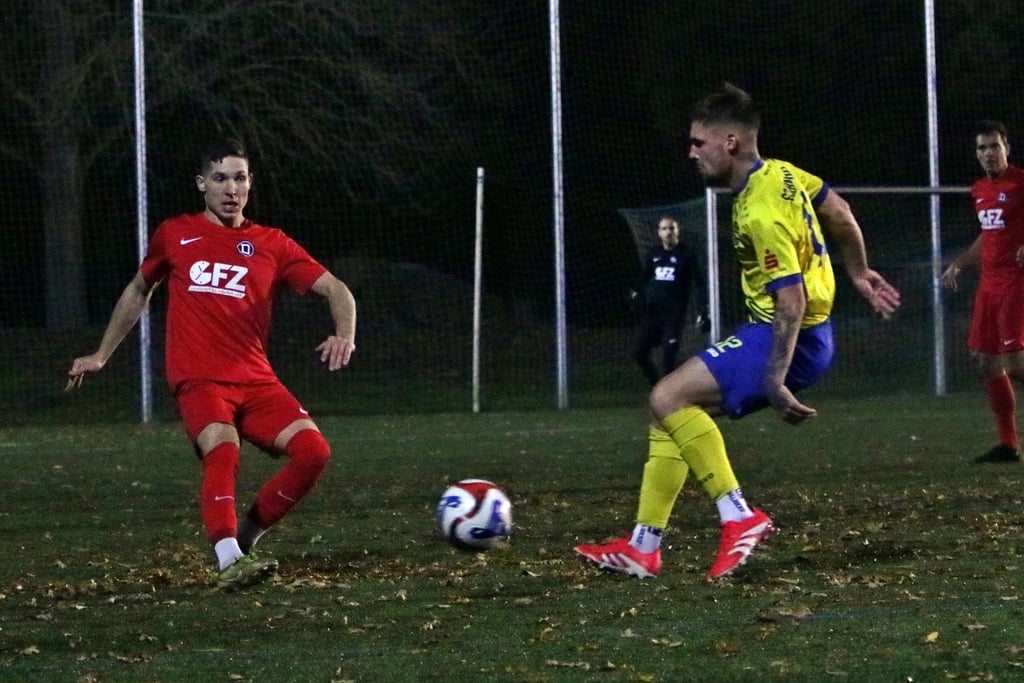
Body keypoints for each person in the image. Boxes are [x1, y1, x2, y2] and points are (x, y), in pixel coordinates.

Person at [575, 83, 901, 579]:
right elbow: (840, 212)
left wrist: (775, 379)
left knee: (667, 397)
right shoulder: (784, 174)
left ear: (729, 142)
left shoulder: (760, 209)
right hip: (790, 332)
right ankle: (642, 547)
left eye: (698, 142)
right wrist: (857, 271)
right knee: (669, 413)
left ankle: (740, 517)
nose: (691, 152)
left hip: (788, 336)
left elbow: (790, 300)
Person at [66, 138, 357, 591]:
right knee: (223, 448)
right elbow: (138, 290)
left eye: (240, 178)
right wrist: (102, 354)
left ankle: (245, 538)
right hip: (198, 378)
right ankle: (227, 560)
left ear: (250, 184)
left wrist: (345, 334)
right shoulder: (176, 234)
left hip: (257, 380)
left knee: (314, 453)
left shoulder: (271, 243)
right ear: (202, 184)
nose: (231, 188)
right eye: (220, 178)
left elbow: (336, 289)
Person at [941, 120, 1024, 464]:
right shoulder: (979, 190)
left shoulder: (1020, 183)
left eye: (995, 146)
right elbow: (987, 234)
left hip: (1015, 281)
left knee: (1016, 365)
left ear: (1007, 148)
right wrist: (960, 263)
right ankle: (1008, 445)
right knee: (986, 363)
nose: (989, 153)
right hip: (988, 285)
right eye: (982, 148)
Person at [631, 217, 710, 387]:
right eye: (665, 229)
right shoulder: (654, 254)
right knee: (639, 353)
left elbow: (699, 283)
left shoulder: (686, 254)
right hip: (653, 313)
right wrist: (636, 295)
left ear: (677, 231)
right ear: (659, 232)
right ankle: (655, 384)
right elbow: (643, 278)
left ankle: (668, 391)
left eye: (672, 228)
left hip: (674, 313)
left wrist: (703, 310)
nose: (668, 232)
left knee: (669, 351)